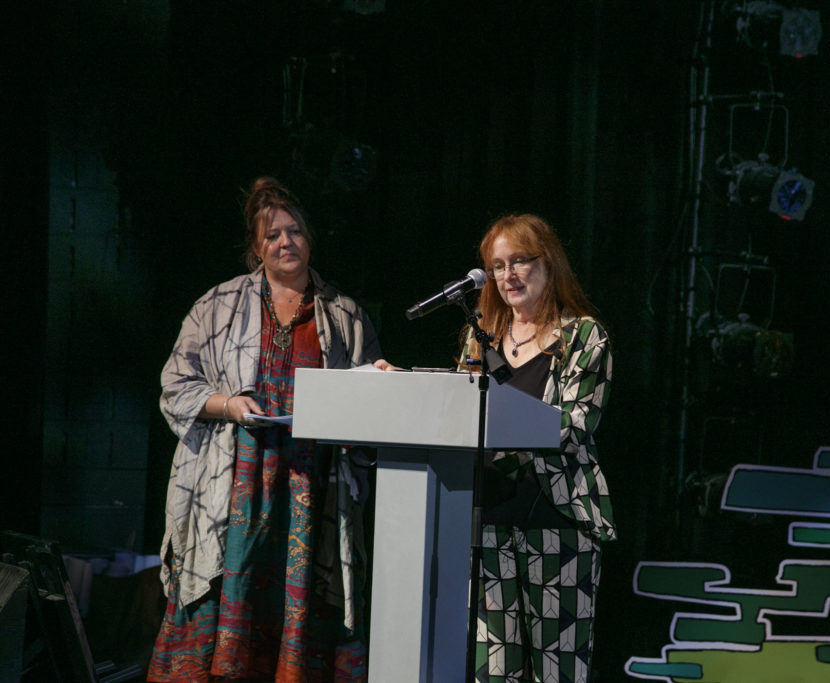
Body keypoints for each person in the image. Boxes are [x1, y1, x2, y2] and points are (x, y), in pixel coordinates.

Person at [148, 177, 382, 682]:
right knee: (224, 598)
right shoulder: (217, 306)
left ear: (310, 238)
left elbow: (369, 413)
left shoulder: (344, 315)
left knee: (304, 605)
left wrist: (376, 389)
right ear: (257, 247)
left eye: (294, 231)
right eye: (273, 235)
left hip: (309, 487)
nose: (285, 243)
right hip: (234, 483)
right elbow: (174, 386)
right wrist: (231, 406)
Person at [378, 213, 615, 682]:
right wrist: (406, 385)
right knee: (495, 671)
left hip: (557, 519)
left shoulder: (584, 336)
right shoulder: (480, 336)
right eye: (498, 265)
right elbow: (458, 409)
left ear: (549, 266)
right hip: (486, 518)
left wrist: (499, 415)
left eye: (520, 261)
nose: (508, 275)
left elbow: (576, 423)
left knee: (557, 669)